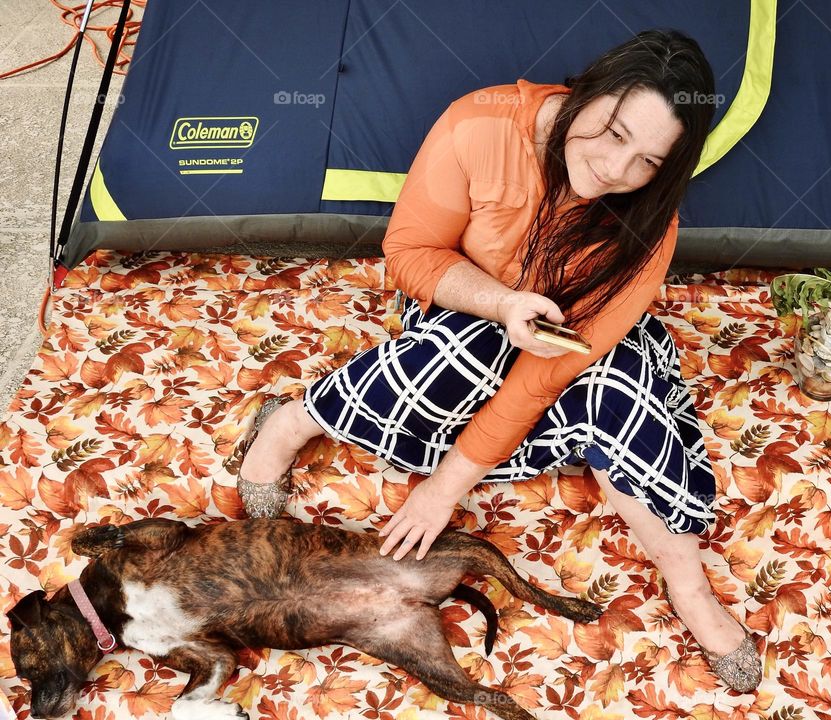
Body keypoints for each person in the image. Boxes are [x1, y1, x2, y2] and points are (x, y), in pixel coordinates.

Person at [236, 30, 761, 692]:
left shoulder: (650, 219)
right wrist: (503, 304)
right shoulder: (478, 126)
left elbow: (551, 371)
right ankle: (297, 419)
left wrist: (445, 489)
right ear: (589, 91)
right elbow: (410, 253)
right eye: (613, 132)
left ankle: (686, 578)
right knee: (467, 347)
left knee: (618, 388)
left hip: (565, 348)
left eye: (648, 160)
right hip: (461, 310)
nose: (615, 168)